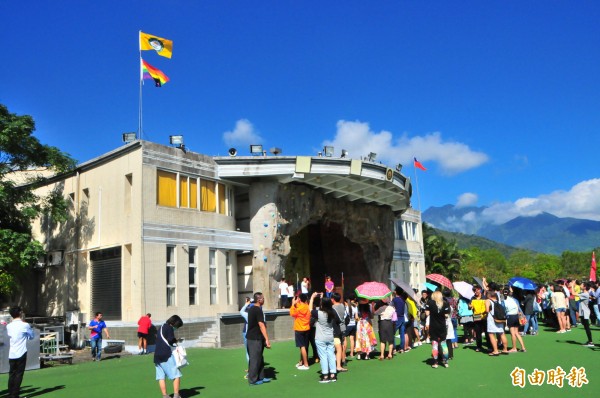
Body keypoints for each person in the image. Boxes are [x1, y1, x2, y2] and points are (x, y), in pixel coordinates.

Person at [7, 306, 34, 398]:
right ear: (20, 313)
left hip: (12, 353)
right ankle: (15, 394)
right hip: (21, 352)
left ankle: (10, 393)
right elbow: (31, 336)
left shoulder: (9, 326)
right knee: (19, 374)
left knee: (11, 373)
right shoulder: (25, 325)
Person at [310, 293, 337, 383]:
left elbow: (310, 309)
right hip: (330, 337)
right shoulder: (332, 312)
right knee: (331, 355)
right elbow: (327, 305)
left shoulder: (319, 313)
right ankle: (333, 374)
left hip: (320, 338)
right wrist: (323, 298)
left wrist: (312, 298)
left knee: (323, 356)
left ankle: (325, 375)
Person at [155, 315, 184, 398]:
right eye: (177, 326)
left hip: (157, 355)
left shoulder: (161, 327)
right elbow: (170, 340)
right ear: (174, 323)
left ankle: (165, 395)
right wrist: (176, 340)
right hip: (166, 354)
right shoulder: (169, 328)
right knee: (176, 374)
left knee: (161, 376)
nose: (177, 328)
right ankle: (176, 395)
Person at [246, 292, 272, 385]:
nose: (264, 300)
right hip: (254, 339)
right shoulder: (257, 309)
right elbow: (261, 325)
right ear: (259, 300)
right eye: (263, 298)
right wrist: (267, 339)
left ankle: (261, 376)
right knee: (255, 359)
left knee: (260, 357)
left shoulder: (253, 308)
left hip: (255, 338)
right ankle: (252, 380)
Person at [426, 291, 450, 368]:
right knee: (443, 344)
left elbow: (427, 313)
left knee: (435, 345)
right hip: (442, 326)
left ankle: (435, 362)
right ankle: (445, 361)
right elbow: (446, 315)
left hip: (433, 326)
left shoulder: (429, 302)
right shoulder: (445, 303)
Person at [290, 293, 311, 370]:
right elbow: (300, 306)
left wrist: (293, 304)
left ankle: (306, 364)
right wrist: (296, 303)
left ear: (299, 299)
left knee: (302, 346)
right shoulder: (307, 307)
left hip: (299, 329)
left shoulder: (299, 309)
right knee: (304, 346)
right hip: (306, 328)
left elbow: (292, 313)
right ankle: (302, 362)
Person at [503, 287, 526, 353]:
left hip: (510, 316)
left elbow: (504, 309)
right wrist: (523, 315)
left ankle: (514, 348)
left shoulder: (504, 301)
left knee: (512, 333)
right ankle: (523, 347)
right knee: (517, 333)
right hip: (516, 316)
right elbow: (519, 308)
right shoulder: (515, 300)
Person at [486, 291, 508, 356]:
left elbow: (487, 310)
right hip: (500, 319)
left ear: (489, 295)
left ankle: (495, 350)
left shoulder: (488, 301)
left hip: (492, 319)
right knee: (502, 333)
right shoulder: (498, 301)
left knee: (491, 334)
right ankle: (505, 349)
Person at [331, 293, 348, 372]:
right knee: (343, 342)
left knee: (337, 346)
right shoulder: (342, 306)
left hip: (336, 327)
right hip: (343, 326)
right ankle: (343, 358)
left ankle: (337, 361)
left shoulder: (332, 308)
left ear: (333, 299)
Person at [469, 286, 487, 352]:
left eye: (477, 290)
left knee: (487, 332)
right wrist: (469, 306)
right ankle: (479, 346)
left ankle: (490, 346)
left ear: (480, 290)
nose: (476, 292)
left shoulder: (485, 297)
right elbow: (470, 307)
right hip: (476, 316)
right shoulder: (472, 298)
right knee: (478, 332)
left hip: (485, 316)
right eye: (474, 290)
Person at [578, 282, 594, 346]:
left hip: (585, 312)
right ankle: (589, 341)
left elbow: (573, 293)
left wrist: (573, 285)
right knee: (585, 326)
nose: (580, 285)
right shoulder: (584, 293)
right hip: (583, 312)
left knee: (587, 327)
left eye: (581, 285)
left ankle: (591, 342)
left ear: (585, 287)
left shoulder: (585, 294)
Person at [391, 288, 407, 353]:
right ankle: (401, 348)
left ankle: (394, 348)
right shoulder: (403, 300)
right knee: (402, 334)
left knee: (392, 333)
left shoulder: (395, 299)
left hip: (396, 318)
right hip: (402, 317)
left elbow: (391, 306)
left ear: (396, 292)